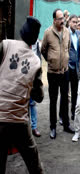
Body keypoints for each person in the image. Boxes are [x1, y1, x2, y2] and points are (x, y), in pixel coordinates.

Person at [0, 16, 44, 173]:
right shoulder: (35, 61)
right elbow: (39, 97)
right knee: (34, 165)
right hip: (19, 120)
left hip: (0, 116)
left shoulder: (5, 45)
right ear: (34, 39)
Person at [41, 8, 75, 139]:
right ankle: (53, 127)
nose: (62, 20)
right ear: (54, 20)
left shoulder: (67, 32)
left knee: (65, 99)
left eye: (63, 18)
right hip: (53, 73)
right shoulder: (48, 33)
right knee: (53, 100)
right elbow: (43, 49)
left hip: (65, 72)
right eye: (60, 19)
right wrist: (51, 61)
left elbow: (68, 47)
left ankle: (66, 125)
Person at [68, 14, 80, 120]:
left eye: (77, 22)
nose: (75, 24)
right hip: (67, 67)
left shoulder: (78, 33)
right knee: (64, 93)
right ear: (69, 22)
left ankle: (73, 113)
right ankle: (62, 116)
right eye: (74, 22)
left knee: (75, 92)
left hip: (76, 68)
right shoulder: (65, 33)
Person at [29, 39, 42, 137]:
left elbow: (39, 56)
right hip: (23, 74)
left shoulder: (36, 42)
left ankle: (34, 127)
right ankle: (25, 128)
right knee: (23, 103)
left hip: (33, 75)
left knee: (32, 103)